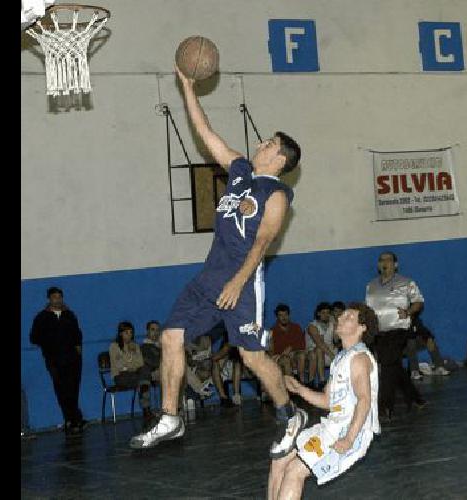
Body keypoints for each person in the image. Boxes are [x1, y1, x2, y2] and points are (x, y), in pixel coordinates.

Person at [130, 65, 307, 458]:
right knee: (171, 337)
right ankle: (171, 417)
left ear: (280, 159)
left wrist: (238, 281)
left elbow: (263, 241)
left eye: (269, 143)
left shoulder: (276, 194)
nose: (261, 143)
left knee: (252, 355)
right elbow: (207, 134)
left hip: (241, 283)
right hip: (208, 278)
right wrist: (188, 88)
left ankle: (290, 415)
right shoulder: (241, 171)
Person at [268, 303, 380, 500]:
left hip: (351, 431)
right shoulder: (340, 359)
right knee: (280, 460)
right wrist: (299, 389)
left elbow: (364, 401)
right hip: (333, 426)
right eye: (342, 315)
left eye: (349, 317)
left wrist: (349, 439)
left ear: (363, 328)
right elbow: (328, 401)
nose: (341, 319)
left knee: (295, 471)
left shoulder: (359, 359)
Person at [365, 251, 426, 421]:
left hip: (399, 330)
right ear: (378, 265)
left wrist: (408, 311)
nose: (385, 263)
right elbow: (369, 310)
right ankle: (415, 397)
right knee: (393, 365)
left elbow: (419, 301)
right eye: (381, 260)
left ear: (395, 264)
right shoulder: (371, 286)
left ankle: (385, 407)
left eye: (388, 260)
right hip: (379, 332)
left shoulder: (407, 283)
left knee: (386, 365)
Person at [29, 286, 87, 436]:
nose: (58, 300)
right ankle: (72, 419)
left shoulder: (69, 315)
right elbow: (34, 337)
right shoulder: (41, 317)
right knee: (62, 389)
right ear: (49, 299)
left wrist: (78, 348)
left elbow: (77, 333)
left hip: (73, 359)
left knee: (74, 388)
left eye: (60, 297)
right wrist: (48, 344)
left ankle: (75, 418)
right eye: (54, 297)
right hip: (54, 360)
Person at [109, 321, 155, 427]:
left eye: (131, 332)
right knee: (144, 379)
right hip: (120, 377)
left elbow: (140, 362)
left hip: (135, 375)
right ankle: (146, 410)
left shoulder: (135, 345)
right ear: (120, 333)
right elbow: (119, 365)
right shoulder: (114, 346)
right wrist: (131, 362)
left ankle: (146, 410)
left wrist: (130, 364)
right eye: (126, 333)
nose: (129, 335)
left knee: (143, 373)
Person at [305, 302, 337, 390]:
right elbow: (319, 343)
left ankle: (320, 382)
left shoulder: (332, 325)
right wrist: (332, 356)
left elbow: (337, 340)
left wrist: (336, 324)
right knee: (318, 350)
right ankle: (321, 381)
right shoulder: (312, 326)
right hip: (313, 354)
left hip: (329, 353)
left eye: (328, 313)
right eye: (323, 313)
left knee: (321, 351)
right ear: (318, 313)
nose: (326, 315)